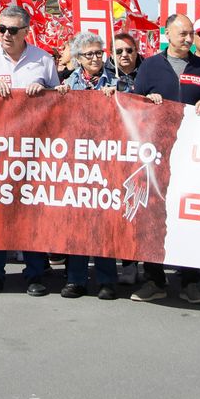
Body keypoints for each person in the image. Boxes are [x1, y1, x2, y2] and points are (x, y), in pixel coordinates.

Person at [0, 4, 60, 297]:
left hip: (33, 150)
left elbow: (62, 100)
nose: (6, 34)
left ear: (26, 32)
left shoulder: (43, 60)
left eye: (12, 30)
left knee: (30, 211)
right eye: (1, 28)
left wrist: (43, 93)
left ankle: (34, 273)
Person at [130, 13, 200, 303]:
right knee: (153, 215)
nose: (188, 39)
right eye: (182, 34)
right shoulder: (150, 67)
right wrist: (148, 102)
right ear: (167, 34)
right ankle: (154, 279)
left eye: (191, 34)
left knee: (189, 215)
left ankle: (190, 281)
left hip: (193, 154)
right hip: (157, 153)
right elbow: (134, 105)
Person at [59, 31, 122, 300]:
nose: (95, 58)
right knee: (77, 222)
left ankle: (107, 279)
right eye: (89, 54)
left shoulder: (118, 82)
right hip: (77, 162)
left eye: (99, 53)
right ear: (78, 58)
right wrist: (58, 97)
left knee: (105, 222)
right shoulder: (68, 84)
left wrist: (119, 97)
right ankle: (76, 279)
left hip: (108, 161)